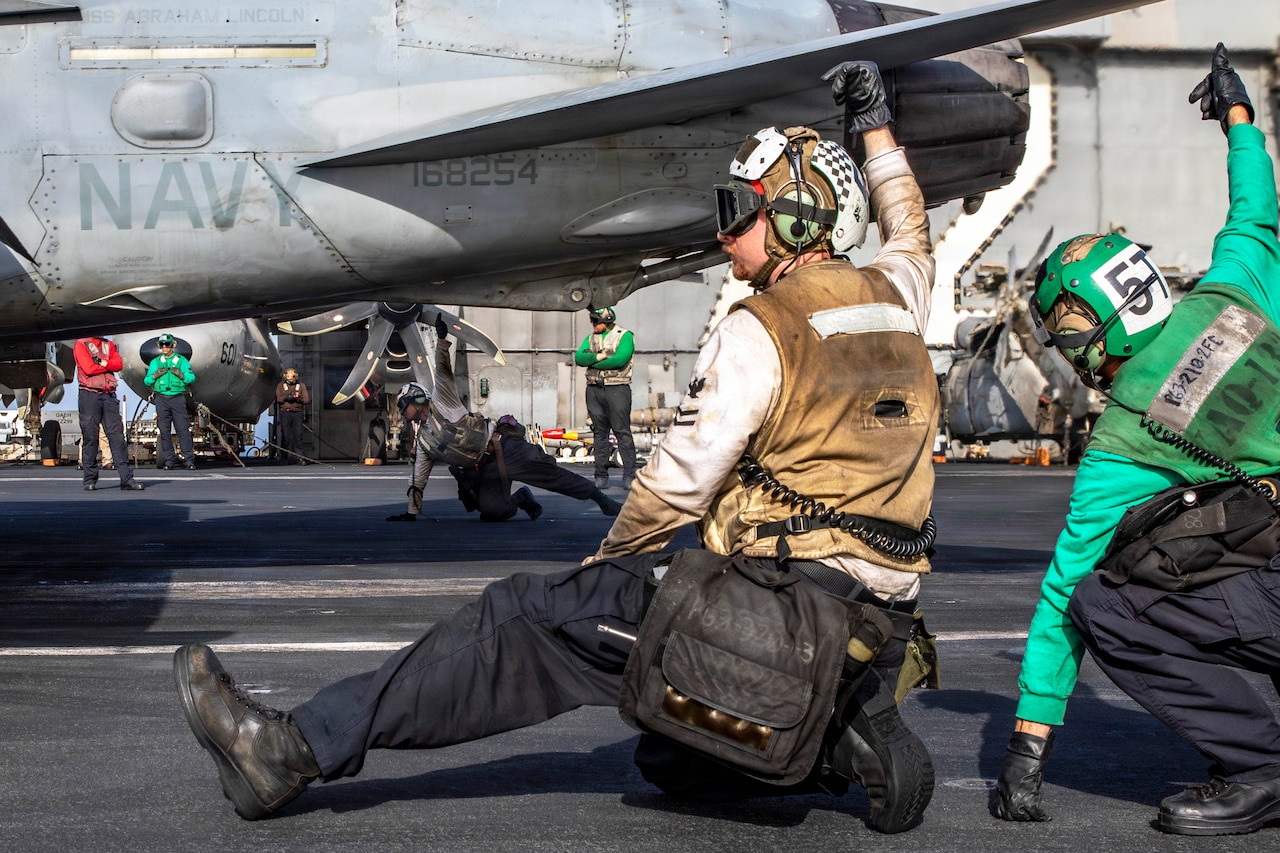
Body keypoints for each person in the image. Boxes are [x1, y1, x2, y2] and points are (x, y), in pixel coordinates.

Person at [174, 62, 939, 833]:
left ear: (797, 221)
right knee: (666, 763)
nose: (723, 230)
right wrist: (875, 125)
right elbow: (907, 221)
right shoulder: (899, 292)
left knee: (523, 619)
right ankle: (846, 720)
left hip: (778, 612)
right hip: (880, 612)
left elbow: (675, 487)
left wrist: (599, 572)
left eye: (739, 211)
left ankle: (287, 749)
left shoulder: (759, 331)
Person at [994, 45, 1280, 837]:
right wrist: (1238, 116)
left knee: (1106, 604)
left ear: (1088, 334)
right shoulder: (1238, 284)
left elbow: (1063, 597)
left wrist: (1027, 744)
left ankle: (1262, 764)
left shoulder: (1125, 440)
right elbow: (1255, 206)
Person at [386, 317, 623, 522]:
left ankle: (600, 498)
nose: (402, 411)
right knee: (492, 512)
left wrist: (441, 342)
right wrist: (411, 512)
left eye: (404, 405)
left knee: (553, 476)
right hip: (484, 468)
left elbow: (442, 371)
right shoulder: (425, 442)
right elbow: (418, 476)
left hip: (505, 448)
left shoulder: (442, 400)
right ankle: (521, 498)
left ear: (417, 400)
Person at [574, 306, 637, 489]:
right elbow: (579, 359)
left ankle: (629, 475)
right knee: (599, 433)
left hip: (617, 388)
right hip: (594, 388)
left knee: (622, 432)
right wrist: (602, 355)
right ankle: (600, 476)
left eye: (596, 321)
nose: (593, 324)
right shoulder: (591, 338)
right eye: (592, 320)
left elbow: (620, 360)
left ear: (607, 321)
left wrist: (592, 360)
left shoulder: (624, 336)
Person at [73, 334, 143, 491]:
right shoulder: (81, 344)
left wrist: (103, 363)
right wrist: (108, 365)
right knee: (90, 436)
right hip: (89, 394)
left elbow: (119, 365)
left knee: (117, 437)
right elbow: (88, 368)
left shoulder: (108, 345)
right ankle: (89, 480)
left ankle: (127, 479)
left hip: (108, 395)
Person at [144, 333, 197, 470]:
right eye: (162, 345)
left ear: (172, 345)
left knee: (183, 429)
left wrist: (181, 375)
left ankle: (189, 460)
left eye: (167, 345)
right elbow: (147, 380)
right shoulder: (155, 362)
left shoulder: (181, 361)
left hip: (178, 398)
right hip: (161, 398)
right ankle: (169, 460)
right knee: (164, 430)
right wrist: (155, 375)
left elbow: (191, 378)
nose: (164, 348)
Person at [275, 366, 311, 465]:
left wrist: (299, 399)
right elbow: (278, 398)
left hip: (297, 413)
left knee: (298, 435)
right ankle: (284, 457)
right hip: (285, 412)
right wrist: (287, 397)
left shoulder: (301, 386)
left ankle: (300, 457)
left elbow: (306, 399)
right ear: (285, 377)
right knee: (285, 436)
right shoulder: (281, 386)